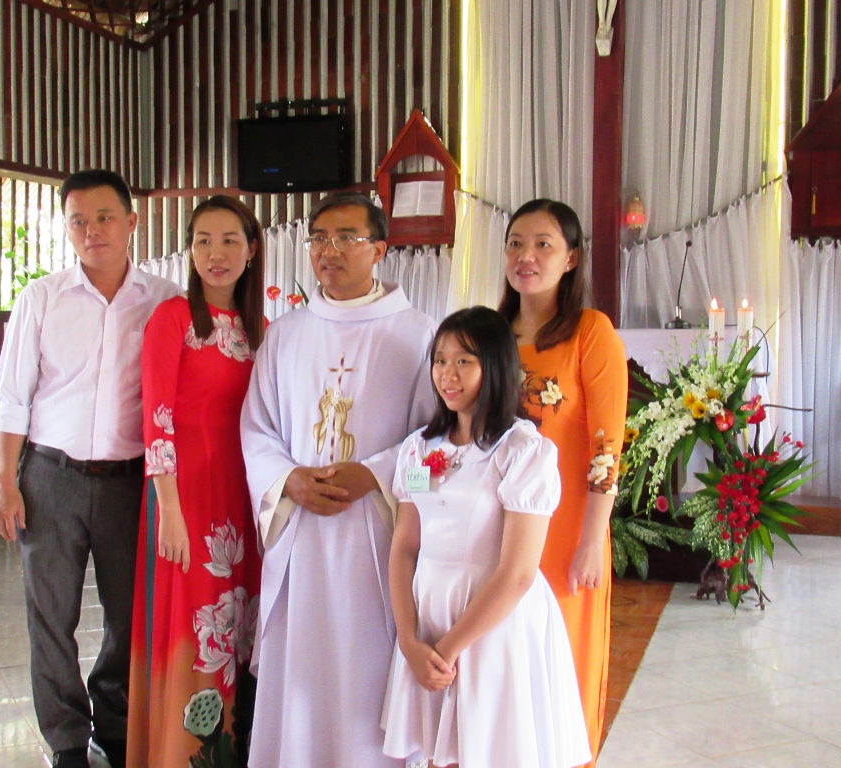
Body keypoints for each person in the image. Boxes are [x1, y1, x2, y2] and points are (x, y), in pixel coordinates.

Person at [0, 169, 180, 768]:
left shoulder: (166, 300)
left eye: (104, 218)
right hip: (50, 478)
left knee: (129, 615)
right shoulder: (42, 298)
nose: (92, 231)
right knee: (51, 616)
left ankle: (115, 723)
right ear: (67, 229)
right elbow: (13, 397)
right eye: (78, 221)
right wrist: (4, 480)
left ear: (131, 222)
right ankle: (67, 738)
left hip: (130, 482)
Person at [240, 192, 437, 768]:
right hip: (300, 533)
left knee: (365, 672)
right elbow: (256, 428)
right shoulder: (285, 334)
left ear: (379, 250)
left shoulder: (419, 335)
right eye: (320, 238)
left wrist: (374, 475)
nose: (330, 250)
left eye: (347, 237)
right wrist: (288, 480)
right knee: (302, 676)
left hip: (376, 540)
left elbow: (437, 440)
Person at [382, 306, 591, 768]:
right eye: (440, 360)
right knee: (436, 752)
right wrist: (410, 641)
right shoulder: (418, 449)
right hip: (429, 614)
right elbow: (405, 546)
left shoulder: (521, 450)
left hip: (492, 618)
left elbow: (517, 572)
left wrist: (447, 650)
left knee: (490, 747)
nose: (448, 374)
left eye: (464, 361)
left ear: (495, 365)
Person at [126, 196, 264, 767]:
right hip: (184, 500)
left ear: (251, 250)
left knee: (242, 626)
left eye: (229, 240)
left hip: (245, 496)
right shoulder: (173, 319)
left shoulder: (263, 330)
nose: (216, 253)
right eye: (203, 240)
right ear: (189, 250)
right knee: (192, 624)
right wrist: (170, 511)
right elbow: (156, 419)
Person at [498, 199, 628, 766]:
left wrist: (591, 540)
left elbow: (606, 450)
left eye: (543, 244)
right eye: (516, 243)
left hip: (566, 529)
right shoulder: (491, 334)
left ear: (571, 258)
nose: (526, 256)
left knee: (561, 660)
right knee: (503, 662)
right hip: (499, 529)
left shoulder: (589, 333)